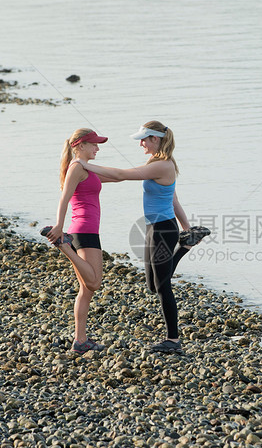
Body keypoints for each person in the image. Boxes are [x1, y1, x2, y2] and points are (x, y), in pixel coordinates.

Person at [78, 121, 210, 354]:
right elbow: (173, 199)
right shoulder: (155, 163)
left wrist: (83, 164)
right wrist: (84, 175)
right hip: (154, 228)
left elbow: (121, 175)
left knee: (162, 285)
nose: (141, 143)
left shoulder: (164, 166)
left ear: (155, 139)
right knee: (152, 284)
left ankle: (173, 340)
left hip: (164, 230)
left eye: (144, 139)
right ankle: (187, 244)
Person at [42, 128, 116, 353]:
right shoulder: (76, 167)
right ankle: (64, 246)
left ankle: (80, 341)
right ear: (79, 145)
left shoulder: (86, 169)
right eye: (93, 144)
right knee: (94, 283)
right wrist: (58, 226)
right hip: (84, 231)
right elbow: (64, 197)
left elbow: (116, 176)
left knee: (86, 290)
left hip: (85, 230)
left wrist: (146, 173)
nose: (97, 148)